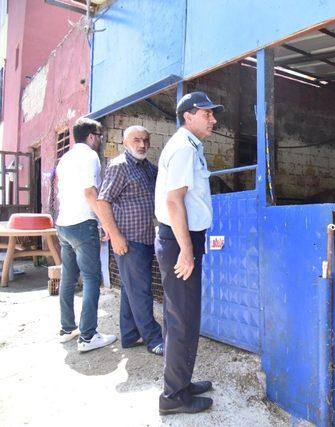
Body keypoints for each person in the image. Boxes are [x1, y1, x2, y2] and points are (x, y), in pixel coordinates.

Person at [155, 91, 222, 415]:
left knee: (180, 317)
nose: (213, 119)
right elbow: (173, 201)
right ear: (188, 116)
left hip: (183, 238)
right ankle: (173, 397)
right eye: (206, 113)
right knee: (183, 319)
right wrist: (186, 251)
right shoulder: (183, 148)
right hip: (180, 239)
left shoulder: (190, 147)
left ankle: (181, 382)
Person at [97, 125, 163, 356]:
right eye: (136, 140)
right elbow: (103, 202)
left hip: (145, 238)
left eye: (145, 140)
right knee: (142, 291)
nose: (142, 144)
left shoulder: (148, 168)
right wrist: (115, 236)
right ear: (125, 143)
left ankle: (129, 334)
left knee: (130, 289)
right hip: (128, 239)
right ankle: (153, 338)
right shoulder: (119, 167)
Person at [56, 117, 117, 352]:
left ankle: (67, 328)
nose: (101, 141)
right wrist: (106, 225)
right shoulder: (90, 156)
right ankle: (88, 336)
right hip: (83, 223)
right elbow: (90, 193)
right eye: (100, 137)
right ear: (91, 136)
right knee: (92, 279)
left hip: (64, 224)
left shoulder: (66, 158)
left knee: (68, 278)